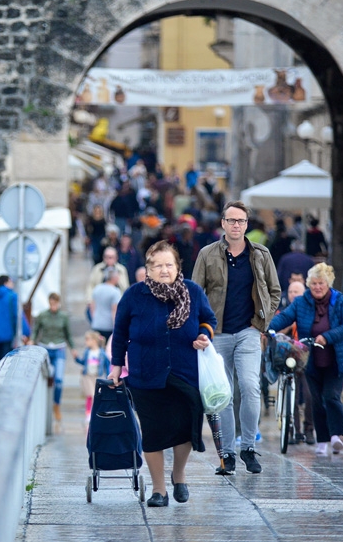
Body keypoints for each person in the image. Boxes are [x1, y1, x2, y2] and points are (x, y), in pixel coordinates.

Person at [110, 241, 217, 507]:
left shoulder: (192, 291)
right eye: (157, 265)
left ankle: (179, 475)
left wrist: (204, 335)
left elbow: (208, 320)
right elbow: (120, 332)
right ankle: (159, 490)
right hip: (145, 374)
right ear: (147, 269)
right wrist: (116, 366)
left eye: (169, 264)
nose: (164, 270)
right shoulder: (134, 295)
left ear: (178, 266)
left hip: (185, 373)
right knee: (153, 432)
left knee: (185, 428)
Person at [192, 200, 280, 475]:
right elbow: (195, 293)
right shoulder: (207, 254)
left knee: (251, 388)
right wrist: (199, 329)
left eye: (240, 221)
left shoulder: (261, 254)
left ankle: (249, 448)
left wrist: (261, 322)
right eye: (231, 220)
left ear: (246, 224)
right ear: (223, 223)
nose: (236, 225)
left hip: (248, 331)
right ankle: (227, 454)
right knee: (224, 394)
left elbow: (275, 291)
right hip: (217, 333)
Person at [270, 263, 343, 457]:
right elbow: (285, 317)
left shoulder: (339, 300)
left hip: (335, 359)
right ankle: (322, 441)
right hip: (311, 359)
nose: (317, 287)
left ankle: (335, 435)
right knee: (316, 400)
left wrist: (327, 337)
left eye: (321, 283)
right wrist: (268, 328)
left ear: (328, 283)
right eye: (314, 283)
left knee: (331, 396)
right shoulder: (301, 302)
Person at [280, 280, 315, 444]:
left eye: (297, 292)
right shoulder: (284, 311)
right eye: (291, 292)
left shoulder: (309, 310)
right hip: (289, 356)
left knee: (309, 394)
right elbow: (277, 330)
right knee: (290, 394)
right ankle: (293, 430)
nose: (293, 295)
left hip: (307, 356)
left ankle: (309, 429)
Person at [32, 292, 73, 422]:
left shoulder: (63, 317)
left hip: (59, 347)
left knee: (59, 379)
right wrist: (32, 341)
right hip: (45, 347)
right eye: (51, 304)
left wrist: (73, 348)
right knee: (45, 378)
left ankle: (56, 404)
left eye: (55, 304)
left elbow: (68, 334)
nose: (53, 306)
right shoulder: (42, 315)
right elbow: (36, 330)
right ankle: (44, 404)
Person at [0, 275, 30, 369]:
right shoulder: (12, 296)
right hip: (7, 334)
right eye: (11, 281)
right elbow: (18, 316)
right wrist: (25, 332)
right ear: (6, 283)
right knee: (6, 362)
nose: (12, 284)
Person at [74, 330, 110, 420]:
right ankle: (88, 413)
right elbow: (83, 362)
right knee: (89, 395)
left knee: (97, 395)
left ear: (94, 341)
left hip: (98, 376)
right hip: (88, 376)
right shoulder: (87, 352)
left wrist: (108, 376)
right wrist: (76, 358)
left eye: (87, 340)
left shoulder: (101, 353)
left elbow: (107, 365)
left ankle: (96, 412)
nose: (86, 342)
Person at [90, 268, 122, 342]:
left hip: (96, 324)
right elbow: (115, 310)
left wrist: (94, 319)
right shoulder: (115, 292)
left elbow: (92, 306)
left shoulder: (97, 288)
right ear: (114, 278)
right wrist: (117, 326)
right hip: (108, 326)